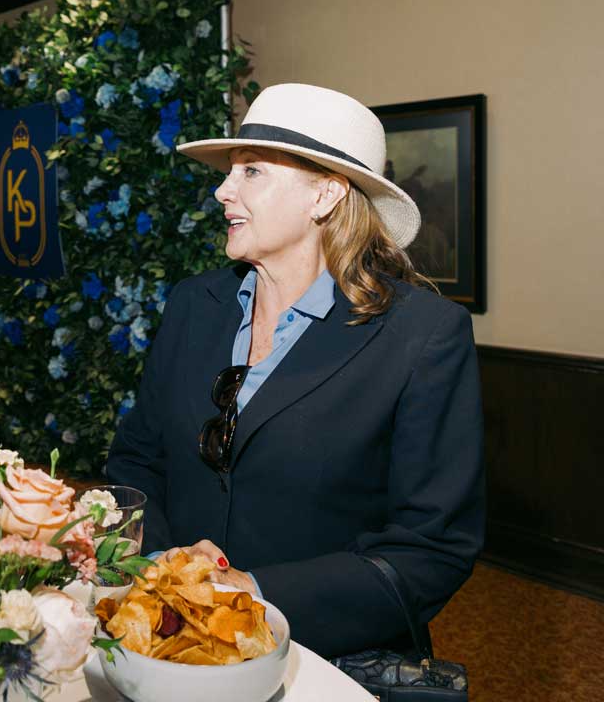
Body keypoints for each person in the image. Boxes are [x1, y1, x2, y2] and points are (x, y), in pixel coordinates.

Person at [106, 84, 484, 659]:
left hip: (322, 659)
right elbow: (137, 458)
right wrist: (165, 561)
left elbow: (430, 549)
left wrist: (252, 594)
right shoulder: (193, 304)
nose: (222, 190)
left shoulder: (423, 336)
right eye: (230, 172)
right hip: (173, 642)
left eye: (251, 172)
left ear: (326, 196)